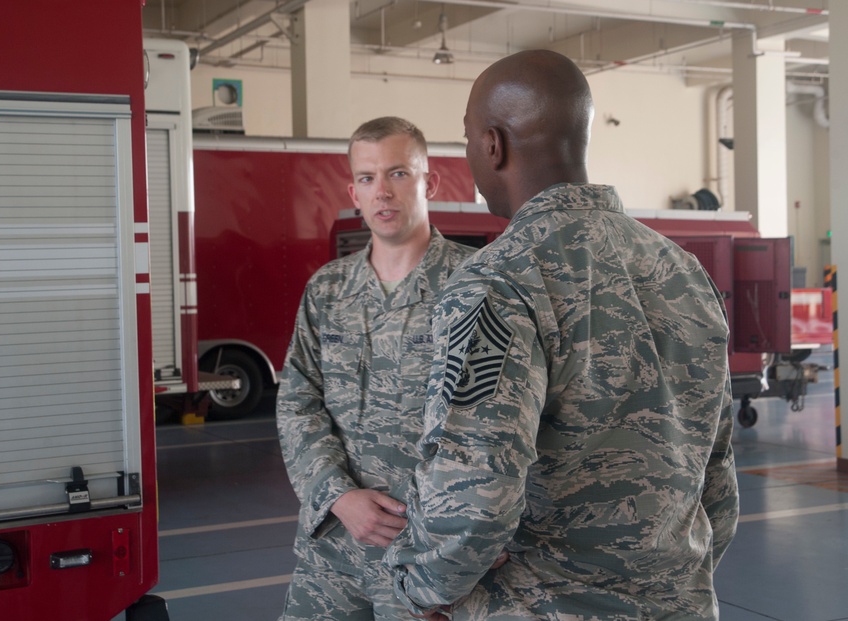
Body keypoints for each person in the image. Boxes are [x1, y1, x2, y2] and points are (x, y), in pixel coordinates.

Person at [384, 50, 740, 621]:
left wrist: (419, 587)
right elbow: (715, 472)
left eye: (470, 140)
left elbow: (477, 491)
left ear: (492, 144)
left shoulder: (499, 280)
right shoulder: (681, 269)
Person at [276, 116, 477, 620]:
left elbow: (502, 429)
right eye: (367, 179)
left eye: (398, 174)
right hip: (333, 551)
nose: (382, 192)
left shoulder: (475, 287)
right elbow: (298, 402)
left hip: (428, 557)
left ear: (429, 182)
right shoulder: (328, 289)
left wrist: (471, 549)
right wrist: (338, 495)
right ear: (354, 192)